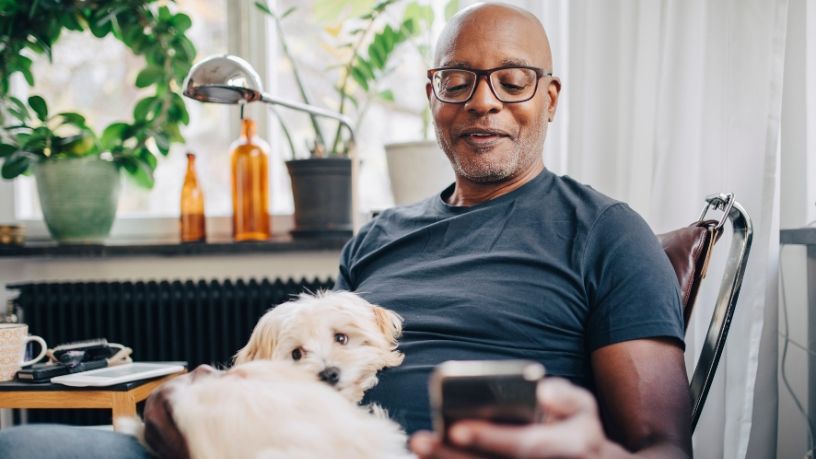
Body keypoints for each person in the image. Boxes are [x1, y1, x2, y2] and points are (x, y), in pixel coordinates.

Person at [0, 2, 691, 458]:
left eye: (513, 80)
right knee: (25, 447)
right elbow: (302, 368)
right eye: (458, 80)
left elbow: (662, 445)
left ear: (550, 97)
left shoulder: (606, 233)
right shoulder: (378, 236)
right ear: (432, 97)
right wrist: (202, 392)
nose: (483, 100)